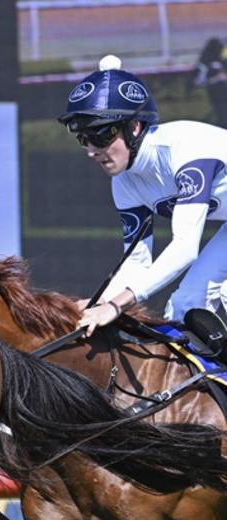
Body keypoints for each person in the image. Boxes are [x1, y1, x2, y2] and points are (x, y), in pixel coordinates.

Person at [62, 55, 227, 337]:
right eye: (83, 139)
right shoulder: (124, 182)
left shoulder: (187, 152)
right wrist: (93, 303)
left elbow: (185, 247)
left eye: (101, 135)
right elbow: (137, 263)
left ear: (135, 127)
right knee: (185, 307)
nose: (91, 151)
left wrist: (115, 306)